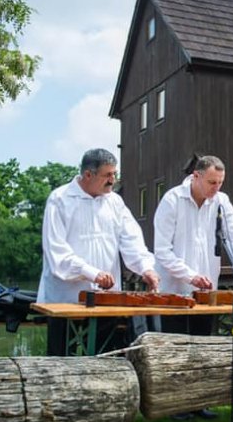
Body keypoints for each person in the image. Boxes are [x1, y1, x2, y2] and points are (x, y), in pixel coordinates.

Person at [154, 155, 233, 419]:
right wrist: (190, 276)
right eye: (212, 182)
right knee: (176, 349)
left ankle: (198, 401)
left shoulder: (221, 202)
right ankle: (175, 405)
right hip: (174, 289)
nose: (217, 188)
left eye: (220, 183)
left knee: (202, 347)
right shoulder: (172, 200)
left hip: (206, 289)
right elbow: (162, 251)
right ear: (196, 176)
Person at [38, 148, 159, 356]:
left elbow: (131, 240)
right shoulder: (60, 199)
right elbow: (56, 250)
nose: (113, 180)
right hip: (65, 299)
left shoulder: (115, 202)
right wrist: (93, 273)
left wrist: (146, 268)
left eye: (114, 174)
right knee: (60, 360)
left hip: (106, 299)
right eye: (107, 175)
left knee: (104, 358)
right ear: (88, 175)